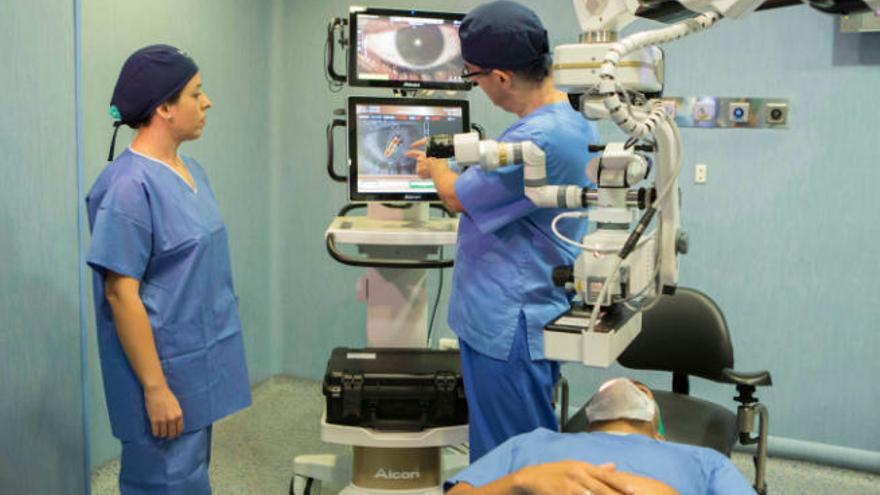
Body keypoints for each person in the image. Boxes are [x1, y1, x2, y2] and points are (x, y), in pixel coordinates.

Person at [406, 0, 598, 461]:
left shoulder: (535, 140)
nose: (479, 88)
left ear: (501, 78)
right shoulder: (567, 120)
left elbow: (455, 197)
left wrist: (434, 164)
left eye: (474, 77)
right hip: (520, 310)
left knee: (511, 458)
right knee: (513, 445)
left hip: (508, 321)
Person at [85, 45, 251, 494]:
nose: (208, 102)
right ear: (163, 107)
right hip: (160, 372)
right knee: (162, 481)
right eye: (196, 94)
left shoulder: (190, 169)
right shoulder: (127, 186)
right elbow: (121, 295)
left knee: (189, 475)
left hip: (196, 363)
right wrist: (156, 389)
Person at [445, 378, 756, 495]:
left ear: (658, 431)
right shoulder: (531, 442)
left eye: (640, 388)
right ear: (589, 417)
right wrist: (521, 482)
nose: (623, 383)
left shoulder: (702, 460)